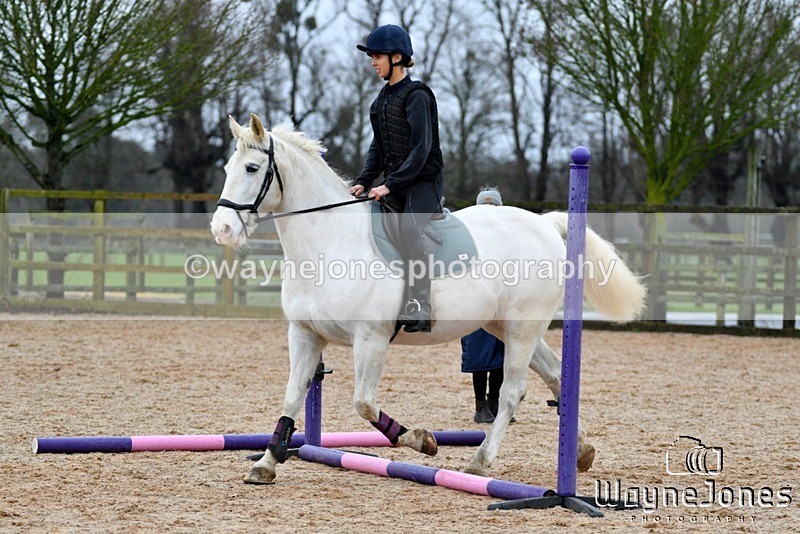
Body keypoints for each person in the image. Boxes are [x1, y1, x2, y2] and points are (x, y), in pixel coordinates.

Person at [349, 24, 445, 333]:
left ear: (397, 57)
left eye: (377, 57)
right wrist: (364, 181)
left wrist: (390, 184)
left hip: (423, 182)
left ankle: (420, 306)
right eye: (372, 57)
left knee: (409, 228)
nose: (373, 63)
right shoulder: (379, 101)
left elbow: (421, 149)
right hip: (395, 183)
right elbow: (377, 148)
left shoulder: (417, 96)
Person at [461, 188, 514, 423]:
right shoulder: (468, 236)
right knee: (480, 357)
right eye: (485, 207)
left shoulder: (508, 238)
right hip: (477, 301)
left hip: (501, 303)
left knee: (502, 356)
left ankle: (494, 401)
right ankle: (480, 405)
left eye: (493, 207)